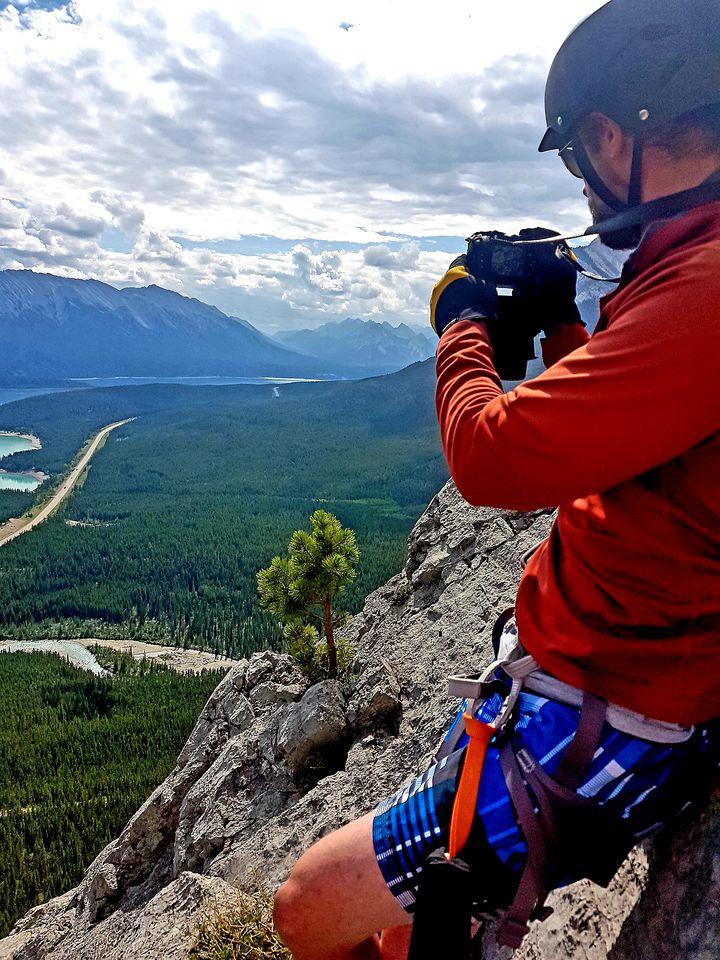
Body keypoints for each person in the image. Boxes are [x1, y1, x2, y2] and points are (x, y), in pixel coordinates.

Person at [273, 2, 720, 957]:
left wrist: (462, 322)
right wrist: (566, 332)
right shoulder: (691, 273)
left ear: (610, 136)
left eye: (576, 157)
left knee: (307, 906)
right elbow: (625, 442)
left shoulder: (708, 290)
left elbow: (493, 456)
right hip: (602, 681)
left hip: (604, 719)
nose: (584, 182)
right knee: (402, 935)